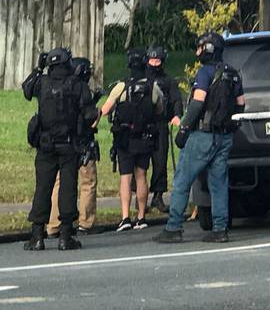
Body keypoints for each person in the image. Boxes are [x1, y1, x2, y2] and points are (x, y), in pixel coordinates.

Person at [155, 32, 245, 243]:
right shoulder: (233, 74)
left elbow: (197, 103)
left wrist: (184, 129)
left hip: (203, 135)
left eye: (200, 48)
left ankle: (174, 227)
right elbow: (241, 103)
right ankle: (220, 228)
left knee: (182, 180)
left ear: (208, 49)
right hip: (224, 137)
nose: (197, 52)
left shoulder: (204, 73)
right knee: (219, 184)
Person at [22, 48, 99, 251]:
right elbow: (90, 114)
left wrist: (38, 69)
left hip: (45, 144)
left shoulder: (42, 82)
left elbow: (26, 90)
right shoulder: (77, 84)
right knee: (68, 188)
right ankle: (66, 235)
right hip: (69, 144)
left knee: (43, 188)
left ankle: (37, 235)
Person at [100, 48, 164, 232]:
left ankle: (125, 217)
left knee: (125, 178)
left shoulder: (121, 87)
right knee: (142, 176)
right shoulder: (153, 87)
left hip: (124, 139)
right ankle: (142, 216)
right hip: (145, 138)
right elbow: (159, 110)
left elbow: (105, 110)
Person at [46, 57, 102, 237]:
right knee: (88, 182)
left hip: (65, 143)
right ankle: (85, 223)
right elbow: (91, 120)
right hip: (84, 143)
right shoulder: (81, 90)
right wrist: (98, 112)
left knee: (60, 183)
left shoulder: (62, 89)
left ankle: (54, 223)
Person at [143, 46, 183, 213]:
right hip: (143, 125)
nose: (154, 64)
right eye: (152, 61)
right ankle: (141, 199)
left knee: (160, 162)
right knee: (141, 164)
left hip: (160, 125)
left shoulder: (168, 81)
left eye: (157, 61)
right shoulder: (142, 79)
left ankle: (158, 197)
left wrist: (177, 115)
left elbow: (176, 100)